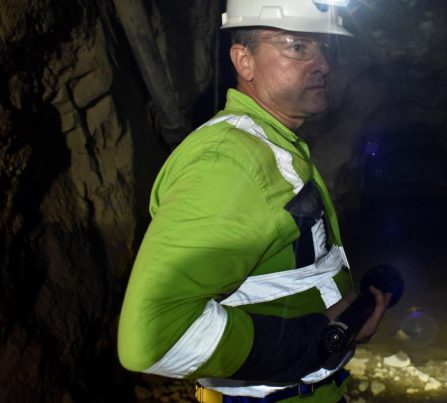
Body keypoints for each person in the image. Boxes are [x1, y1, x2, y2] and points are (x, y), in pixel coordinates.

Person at [117, 1, 392, 402]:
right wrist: (318, 339)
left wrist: (345, 322)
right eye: (297, 47)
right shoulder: (231, 162)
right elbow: (153, 338)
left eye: (324, 48)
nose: (323, 65)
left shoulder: (272, 146)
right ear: (243, 61)